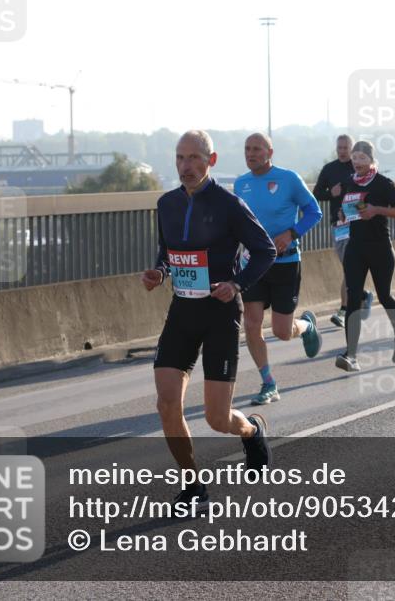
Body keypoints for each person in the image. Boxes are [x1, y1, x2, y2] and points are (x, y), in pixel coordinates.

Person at [142, 130, 276, 509]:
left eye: (194, 158)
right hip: (183, 311)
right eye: (180, 158)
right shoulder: (166, 203)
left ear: (211, 160)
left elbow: (264, 250)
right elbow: (167, 253)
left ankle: (250, 431)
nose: (186, 166)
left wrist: (236, 284)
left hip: (220, 314)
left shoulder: (229, 204)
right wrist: (159, 273)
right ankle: (192, 487)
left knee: (218, 418)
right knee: (167, 404)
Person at [234, 133, 324, 406]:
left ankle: (307, 325)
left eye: (257, 149)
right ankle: (268, 382)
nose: (251, 154)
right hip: (252, 263)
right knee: (251, 323)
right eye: (247, 149)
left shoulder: (289, 179)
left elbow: (314, 212)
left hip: (285, 263)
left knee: (282, 331)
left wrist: (291, 234)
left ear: (269, 152)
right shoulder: (241, 184)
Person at [334, 140, 395, 372]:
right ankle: (351, 355)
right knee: (353, 296)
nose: (357, 162)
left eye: (362, 158)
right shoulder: (348, 183)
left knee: (385, 296)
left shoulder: (383, 183)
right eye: (354, 157)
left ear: (371, 160)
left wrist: (376, 210)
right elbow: (344, 209)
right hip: (355, 246)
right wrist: (342, 215)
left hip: (380, 247)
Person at [312, 134, 373, 327]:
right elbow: (316, 194)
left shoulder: (358, 168)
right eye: (339, 148)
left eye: (345, 148)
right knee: (348, 266)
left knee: (350, 265)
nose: (342, 151)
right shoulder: (329, 169)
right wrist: (332, 193)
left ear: (352, 149)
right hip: (337, 224)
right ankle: (363, 295)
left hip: (356, 223)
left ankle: (344, 310)